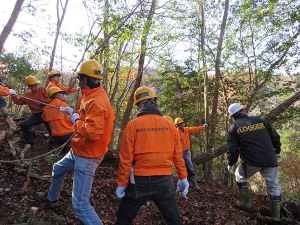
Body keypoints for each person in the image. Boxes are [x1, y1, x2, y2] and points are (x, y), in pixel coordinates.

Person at [36, 59, 115, 225]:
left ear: (85, 80)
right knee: (57, 169)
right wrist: (73, 111)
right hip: (79, 148)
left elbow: (92, 133)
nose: (78, 81)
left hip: (88, 155)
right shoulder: (89, 95)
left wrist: (74, 119)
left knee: (80, 205)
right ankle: (52, 198)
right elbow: (86, 116)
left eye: (80, 78)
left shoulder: (96, 101)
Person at [115, 86, 189, 225]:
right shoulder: (170, 125)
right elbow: (178, 156)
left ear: (138, 106)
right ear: (154, 102)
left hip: (138, 182)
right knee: (174, 221)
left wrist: (121, 183)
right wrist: (183, 176)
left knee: (122, 220)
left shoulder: (132, 126)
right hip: (164, 182)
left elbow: (126, 159)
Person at [226, 103, 282, 221]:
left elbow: (233, 149)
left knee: (239, 175)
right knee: (274, 186)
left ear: (233, 116)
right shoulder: (261, 121)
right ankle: (276, 217)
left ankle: (246, 202)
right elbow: (275, 137)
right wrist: (277, 151)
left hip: (252, 161)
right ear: (243, 110)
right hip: (270, 159)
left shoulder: (234, 127)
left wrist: (231, 163)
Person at [11, 75, 53, 148]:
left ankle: (53, 141)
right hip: (36, 115)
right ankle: (30, 142)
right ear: (29, 86)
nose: (36, 86)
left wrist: (44, 102)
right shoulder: (26, 95)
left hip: (46, 113)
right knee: (24, 124)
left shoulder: (42, 89)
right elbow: (18, 101)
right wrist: (13, 95)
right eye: (33, 85)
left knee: (51, 127)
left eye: (36, 84)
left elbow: (50, 98)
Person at [174, 117, 207, 190]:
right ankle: (185, 183)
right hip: (180, 153)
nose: (182, 125)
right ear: (177, 126)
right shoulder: (176, 132)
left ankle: (194, 183)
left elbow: (194, 129)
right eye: (180, 124)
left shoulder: (186, 130)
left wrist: (203, 127)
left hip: (187, 151)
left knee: (190, 166)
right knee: (182, 167)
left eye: (182, 123)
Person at [42, 87, 74, 155]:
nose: (63, 95)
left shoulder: (47, 108)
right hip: (68, 134)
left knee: (65, 153)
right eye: (61, 93)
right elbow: (70, 120)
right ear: (55, 95)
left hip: (57, 137)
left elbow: (44, 118)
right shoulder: (63, 105)